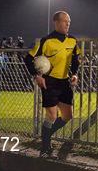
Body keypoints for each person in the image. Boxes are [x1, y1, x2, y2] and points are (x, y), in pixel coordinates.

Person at [24, 11, 81, 158]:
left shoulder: (73, 40)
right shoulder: (46, 41)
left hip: (64, 81)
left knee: (68, 116)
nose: (68, 24)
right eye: (65, 21)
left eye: (69, 22)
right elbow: (28, 58)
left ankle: (46, 138)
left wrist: (74, 74)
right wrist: (37, 76)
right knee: (52, 116)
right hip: (49, 82)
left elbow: (75, 60)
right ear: (56, 22)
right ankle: (45, 148)